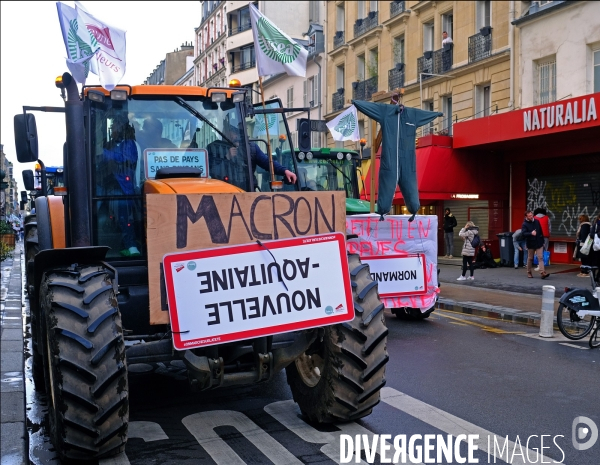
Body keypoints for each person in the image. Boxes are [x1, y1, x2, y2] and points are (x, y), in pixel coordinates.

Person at [208, 122, 297, 191]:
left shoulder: (251, 147)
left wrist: (284, 171)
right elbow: (211, 172)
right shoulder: (214, 148)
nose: (234, 135)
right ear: (225, 133)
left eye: (236, 132)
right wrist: (227, 158)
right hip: (222, 192)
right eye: (231, 132)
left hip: (248, 191)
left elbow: (267, 162)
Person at [101, 115, 141, 257]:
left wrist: (103, 153)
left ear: (121, 127)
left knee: (125, 218)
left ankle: (132, 246)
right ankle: (127, 245)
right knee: (119, 217)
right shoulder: (113, 144)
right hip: (114, 186)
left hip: (125, 187)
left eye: (114, 127)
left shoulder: (129, 144)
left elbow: (126, 159)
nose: (112, 130)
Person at [522, 210, 549, 279]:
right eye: (529, 216)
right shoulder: (524, 224)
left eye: (531, 215)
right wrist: (531, 233)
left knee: (540, 257)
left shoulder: (537, 221)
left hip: (539, 242)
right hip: (531, 243)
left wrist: (542, 241)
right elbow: (523, 234)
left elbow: (540, 231)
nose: (531, 217)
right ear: (526, 217)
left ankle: (542, 272)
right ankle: (529, 272)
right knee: (530, 258)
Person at [588, 213, 600, 282]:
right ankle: (594, 278)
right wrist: (598, 235)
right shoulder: (595, 225)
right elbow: (591, 235)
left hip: (595, 247)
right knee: (594, 264)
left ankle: (597, 277)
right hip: (596, 247)